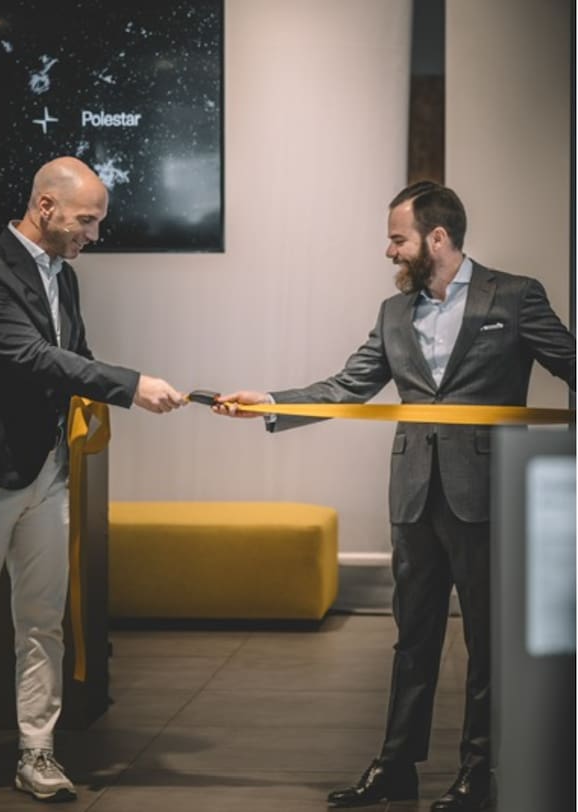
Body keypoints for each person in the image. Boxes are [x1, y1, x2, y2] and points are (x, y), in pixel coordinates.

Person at [214, 181, 576, 811]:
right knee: (413, 638)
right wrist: (269, 402)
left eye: (397, 239)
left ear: (437, 238)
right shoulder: (393, 313)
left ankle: (479, 775)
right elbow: (348, 386)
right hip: (412, 498)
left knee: (487, 642)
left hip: (488, 497)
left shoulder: (515, 296)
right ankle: (396, 767)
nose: (389, 251)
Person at [0, 156, 186, 805]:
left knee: (43, 623)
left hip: (45, 472)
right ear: (45, 206)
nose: (94, 235)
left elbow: (76, 357)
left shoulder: (63, 276)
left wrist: (143, 388)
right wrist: (131, 385)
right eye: (86, 220)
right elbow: (31, 357)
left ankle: (37, 751)